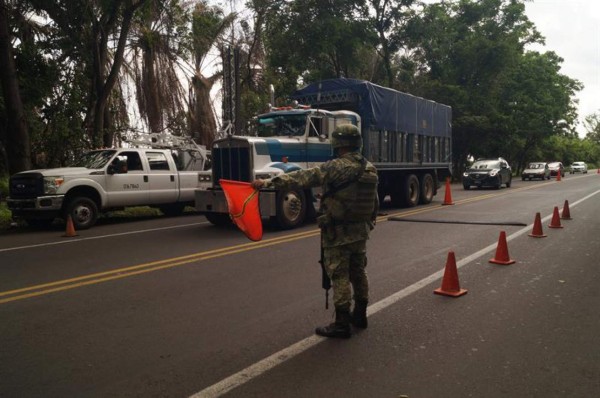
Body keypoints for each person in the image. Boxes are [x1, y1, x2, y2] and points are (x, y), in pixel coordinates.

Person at [251, 124, 379, 338]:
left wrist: (267, 181)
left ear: (338, 143)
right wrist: (370, 223)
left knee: (339, 274)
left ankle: (341, 324)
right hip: (361, 230)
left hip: (338, 231)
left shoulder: (335, 167)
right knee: (358, 272)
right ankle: (360, 314)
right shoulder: (370, 168)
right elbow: (374, 201)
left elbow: (302, 177)